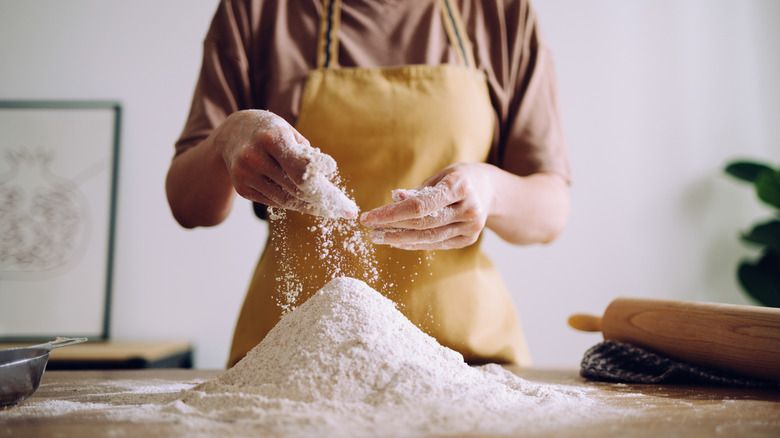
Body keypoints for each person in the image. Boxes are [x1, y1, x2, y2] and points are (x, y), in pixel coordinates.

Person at [166, 0, 571, 367]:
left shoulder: (499, 12)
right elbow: (188, 207)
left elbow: (551, 210)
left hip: (466, 362)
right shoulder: (257, 10)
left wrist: (490, 191)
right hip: (292, 363)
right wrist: (228, 139)